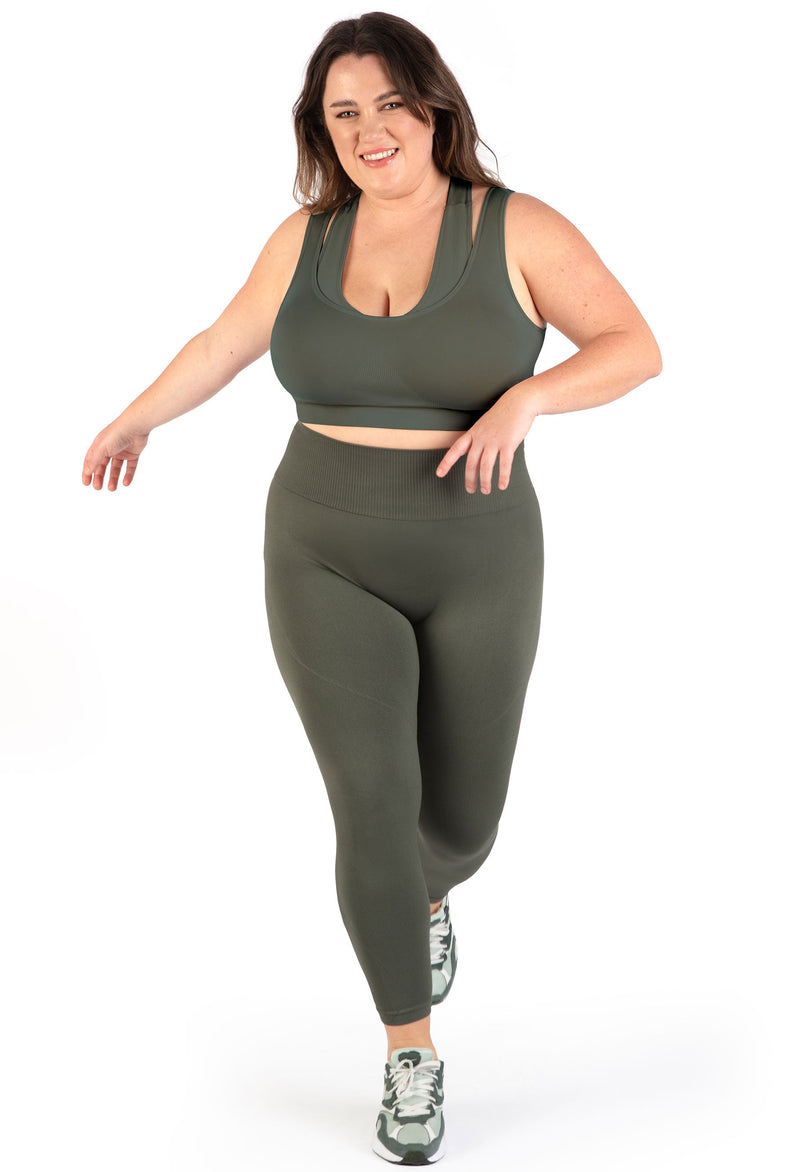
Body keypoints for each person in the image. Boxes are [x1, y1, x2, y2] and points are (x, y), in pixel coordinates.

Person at [82, 11, 661, 1165]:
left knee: (462, 821)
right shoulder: (306, 237)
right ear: (322, 129)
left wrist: (526, 398)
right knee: (371, 801)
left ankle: (423, 897)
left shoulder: (514, 227)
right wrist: (136, 415)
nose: (368, 130)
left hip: (478, 552)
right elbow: (222, 341)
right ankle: (409, 1047)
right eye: (342, 112)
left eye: (387, 103)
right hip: (323, 548)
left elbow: (630, 345)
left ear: (431, 106)